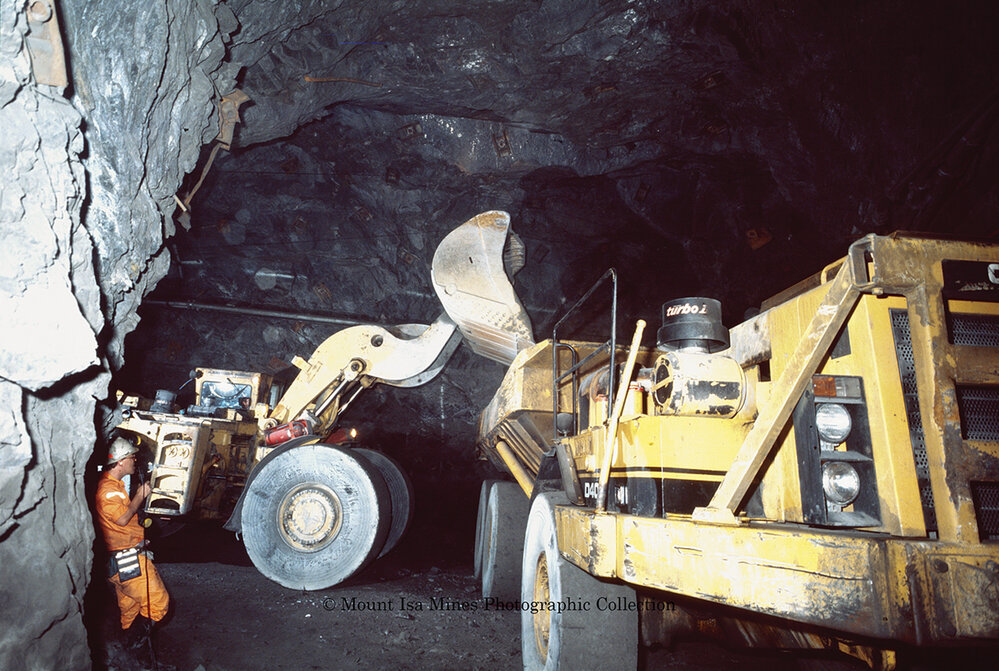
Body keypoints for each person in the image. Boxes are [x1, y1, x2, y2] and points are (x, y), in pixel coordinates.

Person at [95, 437, 170, 639]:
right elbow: (122, 519)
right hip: (125, 559)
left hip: (120, 557)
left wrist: (138, 540)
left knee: (131, 610)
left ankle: (129, 650)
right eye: (131, 457)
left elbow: (118, 524)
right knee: (157, 603)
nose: (135, 461)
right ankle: (136, 644)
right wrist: (140, 495)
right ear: (120, 461)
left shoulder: (113, 485)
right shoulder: (108, 490)